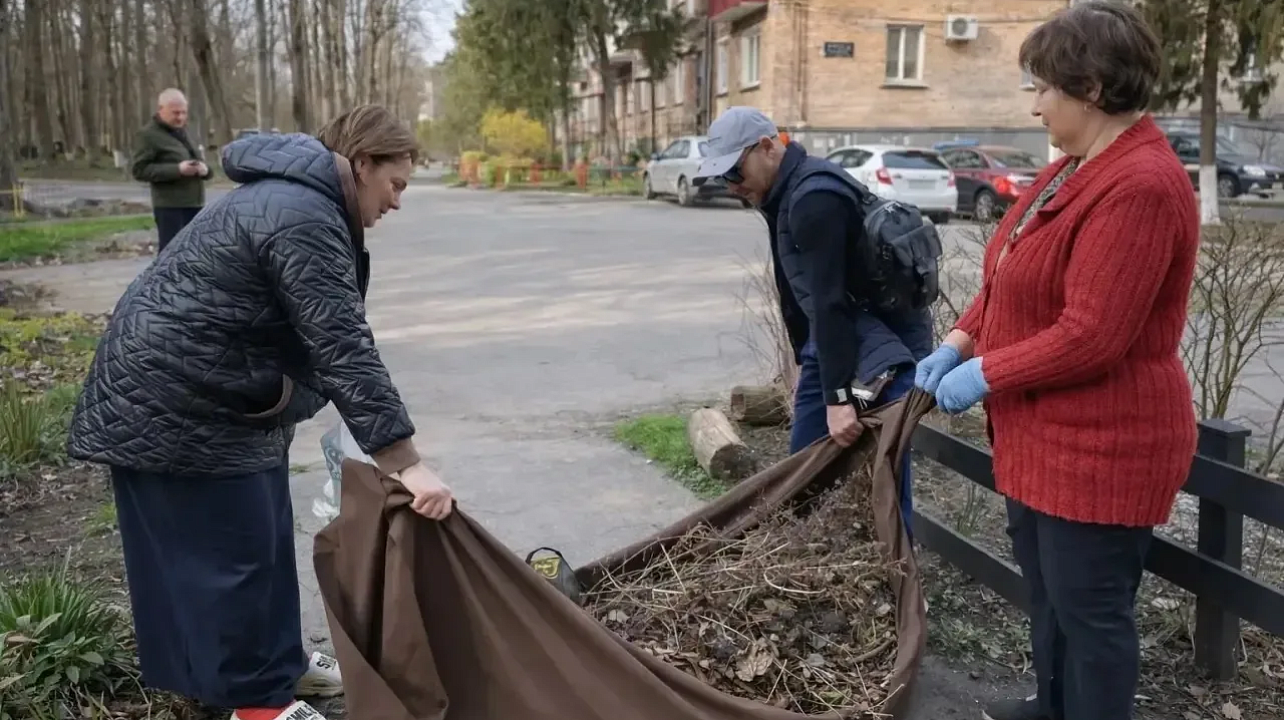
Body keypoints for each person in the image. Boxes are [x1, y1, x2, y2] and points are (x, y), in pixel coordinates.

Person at [68, 104, 454, 720]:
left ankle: (278, 667)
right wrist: (404, 462)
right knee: (234, 562)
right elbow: (341, 343)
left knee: (266, 542)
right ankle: (258, 705)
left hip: (219, 398)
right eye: (396, 184)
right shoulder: (302, 214)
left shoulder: (299, 202)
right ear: (362, 165)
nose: (398, 201)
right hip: (176, 405)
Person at [913, 4, 1199, 719]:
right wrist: (959, 342)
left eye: (1043, 87)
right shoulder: (1070, 170)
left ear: (1091, 87)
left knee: (1090, 616)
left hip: (1103, 450)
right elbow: (1007, 277)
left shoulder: (1140, 185)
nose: (1035, 105)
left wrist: (986, 374)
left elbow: (1093, 335)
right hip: (1041, 440)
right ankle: (1053, 706)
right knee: (1049, 598)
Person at [692, 106, 934, 530]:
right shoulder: (781, 193)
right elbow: (798, 290)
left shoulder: (814, 199)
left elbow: (829, 301)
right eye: (721, 177)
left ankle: (899, 569)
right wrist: (806, 361)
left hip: (884, 351)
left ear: (767, 148)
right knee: (802, 471)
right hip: (839, 338)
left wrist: (838, 399)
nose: (730, 185)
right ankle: (801, 553)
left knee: (886, 480)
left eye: (733, 171)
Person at [130, 88, 213, 251]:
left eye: (183, 113)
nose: (180, 117)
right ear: (161, 109)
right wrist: (177, 170)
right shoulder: (148, 135)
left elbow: (200, 160)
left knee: (194, 253)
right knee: (171, 254)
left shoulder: (186, 132)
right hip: (170, 207)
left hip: (195, 203)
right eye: (175, 113)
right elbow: (140, 170)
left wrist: (205, 170)